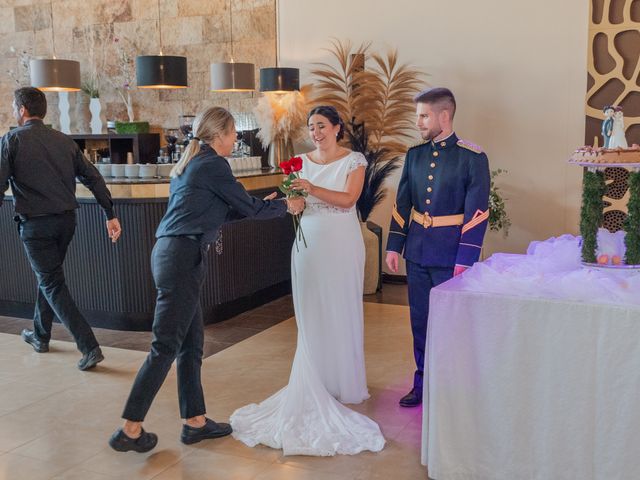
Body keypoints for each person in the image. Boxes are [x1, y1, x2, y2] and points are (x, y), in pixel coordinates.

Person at [109, 106, 305, 453]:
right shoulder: (214, 163)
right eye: (233, 134)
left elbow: (226, 210)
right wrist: (286, 207)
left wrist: (264, 203)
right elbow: (248, 209)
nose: (235, 139)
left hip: (176, 255)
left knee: (190, 343)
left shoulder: (195, 163)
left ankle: (195, 422)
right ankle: (130, 427)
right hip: (181, 259)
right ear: (220, 135)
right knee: (165, 346)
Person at [230, 105, 385, 456]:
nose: (315, 133)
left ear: (336, 128)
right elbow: (298, 204)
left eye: (321, 126)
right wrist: (287, 200)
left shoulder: (354, 161)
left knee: (341, 309)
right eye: (311, 127)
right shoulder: (300, 161)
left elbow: (348, 201)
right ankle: (315, 377)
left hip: (342, 245)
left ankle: (344, 382)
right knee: (312, 312)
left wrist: (311, 187)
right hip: (309, 245)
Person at [0, 87, 122, 370]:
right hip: (66, 222)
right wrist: (109, 213)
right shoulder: (65, 142)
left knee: (52, 282)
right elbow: (94, 178)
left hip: (36, 225)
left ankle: (89, 346)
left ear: (22, 110)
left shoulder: (11, 140)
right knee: (50, 277)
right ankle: (40, 336)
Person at [386, 87, 490, 407]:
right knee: (420, 321)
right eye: (418, 115)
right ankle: (423, 382)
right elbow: (403, 203)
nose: (418, 122)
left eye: (424, 115)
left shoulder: (472, 157)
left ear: (444, 116)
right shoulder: (415, 155)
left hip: (450, 255)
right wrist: (394, 245)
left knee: (452, 324)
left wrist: (466, 258)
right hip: (417, 251)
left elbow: (477, 213)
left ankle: (452, 386)